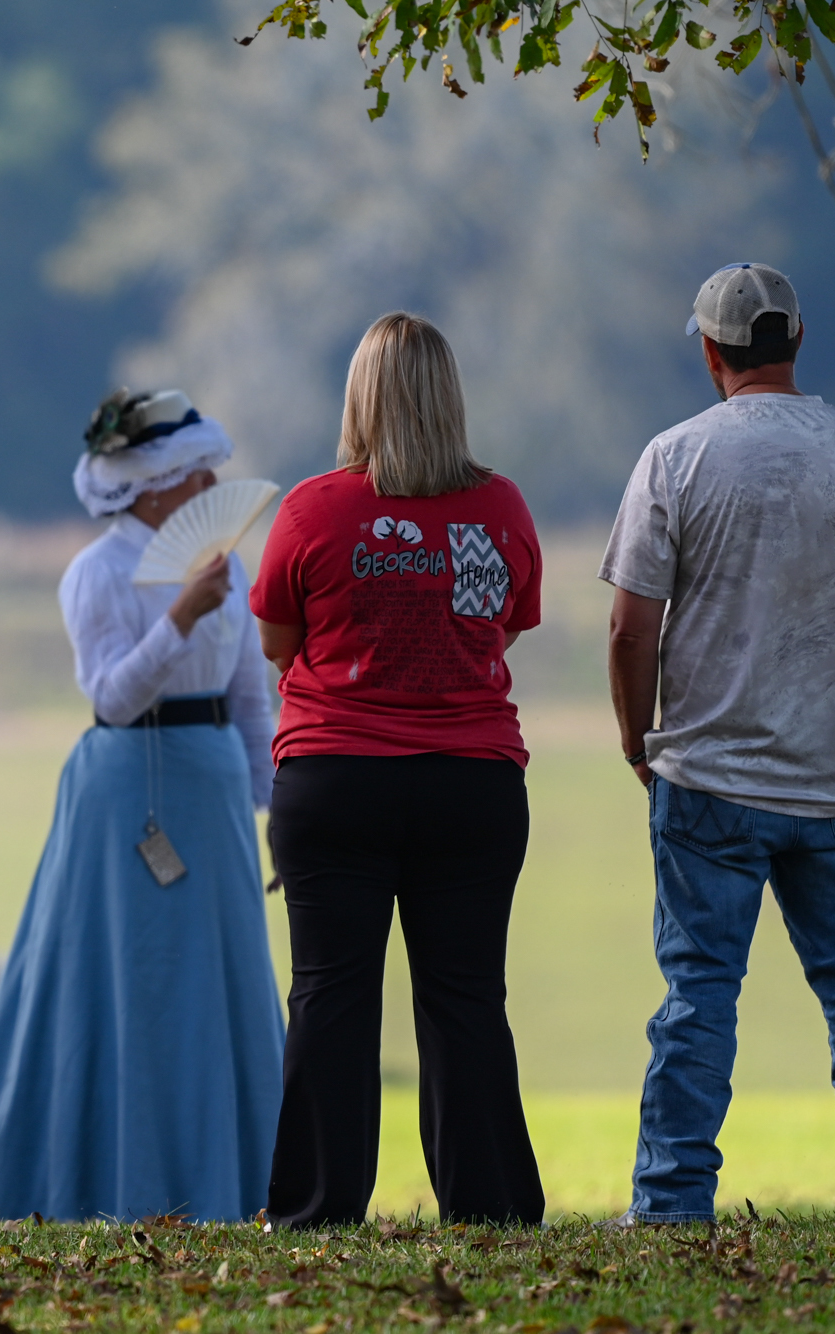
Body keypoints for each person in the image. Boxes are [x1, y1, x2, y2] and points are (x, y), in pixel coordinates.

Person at [602, 264, 835, 1225]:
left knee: (699, 993)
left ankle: (671, 1205)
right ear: (797, 342)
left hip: (709, 777)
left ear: (711, 352)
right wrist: (819, 607)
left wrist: (639, 742)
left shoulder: (675, 458)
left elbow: (629, 630)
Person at [0, 388, 285, 1222]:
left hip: (212, 781)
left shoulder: (225, 566)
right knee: (116, 979)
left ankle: (237, 1184)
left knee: (218, 981)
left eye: (210, 476)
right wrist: (178, 618)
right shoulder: (96, 573)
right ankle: (83, 1179)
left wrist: (276, 811)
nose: (208, 492)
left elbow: (249, 698)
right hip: (126, 786)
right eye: (195, 476)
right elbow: (113, 699)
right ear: (152, 486)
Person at [253, 312, 546, 1228]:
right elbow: (502, 625)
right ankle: (488, 1203)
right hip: (471, 781)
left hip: (336, 778)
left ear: (360, 399)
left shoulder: (311, 510)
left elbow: (277, 640)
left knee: (330, 997)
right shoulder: (497, 511)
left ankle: (316, 1208)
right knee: (465, 998)